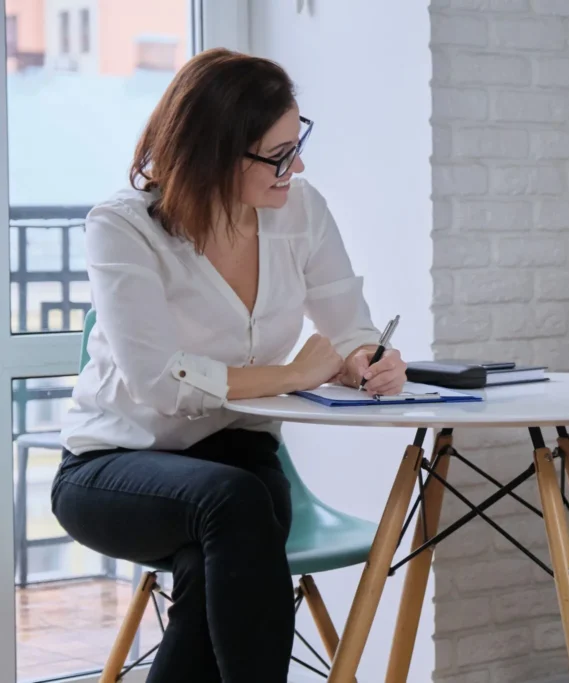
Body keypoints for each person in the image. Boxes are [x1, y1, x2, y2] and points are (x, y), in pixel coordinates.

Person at [51, 48, 407, 683]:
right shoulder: (124, 228)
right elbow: (159, 382)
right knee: (238, 505)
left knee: (222, 542)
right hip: (110, 466)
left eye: (297, 145)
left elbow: (348, 327)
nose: (295, 166)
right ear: (213, 151)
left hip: (235, 459)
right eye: (277, 155)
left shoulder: (301, 209)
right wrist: (294, 375)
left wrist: (368, 361)